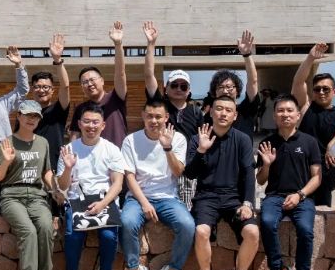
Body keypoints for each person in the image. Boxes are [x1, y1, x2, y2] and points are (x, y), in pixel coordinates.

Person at [184, 95, 259, 270]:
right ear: (211, 112)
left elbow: (248, 174)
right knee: (201, 231)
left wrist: (248, 203)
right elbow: (190, 174)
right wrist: (201, 150)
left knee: (252, 232)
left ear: (235, 116)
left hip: (234, 199)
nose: (223, 113)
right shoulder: (198, 138)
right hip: (206, 197)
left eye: (228, 110)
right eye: (219, 108)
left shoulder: (243, 140)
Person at [120, 98, 194, 270]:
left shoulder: (178, 139)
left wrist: (167, 148)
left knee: (187, 225)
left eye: (158, 117)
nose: (154, 121)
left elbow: (178, 172)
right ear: (143, 116)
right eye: (150, 116)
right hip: (138, 197)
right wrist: (144, 203)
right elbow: (129, 176)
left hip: (168, 197)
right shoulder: (131, 140)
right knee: (126, 222)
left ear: (166, 117)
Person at [255, 93, 322, 270]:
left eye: (289, 110)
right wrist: (266, 164)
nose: (285, 114)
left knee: (306, 231)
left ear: (298, 115)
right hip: (274, 196)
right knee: (267, 222)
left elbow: (317, 177)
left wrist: (300, 194)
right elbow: (260, 180)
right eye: (280, 111)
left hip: (302, 197)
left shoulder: (309, 142)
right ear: (274, 115)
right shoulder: (267, 143)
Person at [56, 102, 125, 270]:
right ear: (79, 124)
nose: (91, 126)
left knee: (108, 236)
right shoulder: (69, 149)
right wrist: (68, 168)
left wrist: (102, 204)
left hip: (105, 200)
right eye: (86, 121)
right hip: (77, 200)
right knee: (73, 235)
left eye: (95, 122)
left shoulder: (111, 149)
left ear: (103, 125)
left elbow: (118, 184)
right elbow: (62, 186)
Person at [0, 99, 56, 270]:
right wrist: (7, 161)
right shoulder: (7, 142)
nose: (31, 119)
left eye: (36, 116)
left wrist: (56, 189)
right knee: (28, 231)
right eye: (28, 115)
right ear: (18, 116)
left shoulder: (43, 142)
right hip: (12, 195)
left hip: (37, 195)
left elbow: (46, 172)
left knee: (46, 227)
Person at [141, 20, 200, 205]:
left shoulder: (196, 112)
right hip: (161, 166)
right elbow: (149, 75)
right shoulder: (161, 105)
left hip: (186, 169)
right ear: (165, 88)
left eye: (183, 86)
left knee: (187, 211)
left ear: (189, 91)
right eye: (174, 85)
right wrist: (151, 44)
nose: (179, 89)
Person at [290, 42, 335, 208]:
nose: (321, 92)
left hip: (323, 174)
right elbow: (298, 82)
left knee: (321, 213)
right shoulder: (305, 107)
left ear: (334, 92)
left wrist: (332, 145)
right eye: (317, 89)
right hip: (299, 169)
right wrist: (311, 58)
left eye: (326, 89)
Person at [69, 21, 128, 146]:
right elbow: (75, 136)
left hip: (117, 155)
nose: (89, 84)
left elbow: (120, 73)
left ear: (102, 80)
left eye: (92, 79)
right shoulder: (81, 109)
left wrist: (118, 44)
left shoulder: (116, 97)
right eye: (85, 82)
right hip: (90, 157)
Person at [202, 30, 260, 138]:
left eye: (229, 87)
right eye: (221, 87)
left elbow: (253, 81)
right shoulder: (209, 117)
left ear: (237, 90)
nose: (225, 91)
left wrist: (247, 55)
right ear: (214, 91)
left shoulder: (246, 110)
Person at [32, 33, 73, 168]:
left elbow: (65, 86)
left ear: (52, 90)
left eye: (45, 87)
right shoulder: (26, 113)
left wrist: (57, 60)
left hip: (54, 166)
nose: (41, 90)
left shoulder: (59, 109)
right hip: (32, 167)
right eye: (37, 87)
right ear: (32, 89)